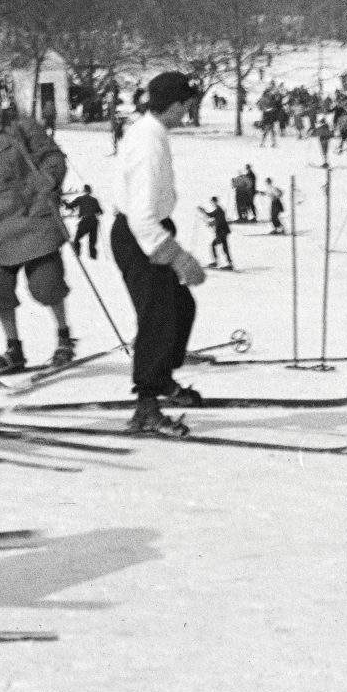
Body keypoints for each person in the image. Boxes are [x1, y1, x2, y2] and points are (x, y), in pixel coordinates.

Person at [0, 75, 76, 374]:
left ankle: (64, 338)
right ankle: (14, 349)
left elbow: (54, 157)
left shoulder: (23, 128)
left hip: (33, 212)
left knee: (46, 285)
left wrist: (48, 179)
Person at [113, 71, 209, 435]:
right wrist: (178, 256)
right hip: (141, 236)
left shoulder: (151, 131)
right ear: (172, 105)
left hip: (149, 231)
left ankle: (163, 380)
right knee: (159, 318)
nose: (187, 111)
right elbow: (140, 216)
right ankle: (146, 406)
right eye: (185, 105)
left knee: (181, 307)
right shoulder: (148, 142)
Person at [65, 184, 103, 260]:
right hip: (94, 222)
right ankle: (93, 257)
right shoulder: (94, 200)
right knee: (92, 241)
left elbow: (70, 206)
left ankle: (77, 253)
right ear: (90, 191)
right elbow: (100, 212)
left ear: (84, 191)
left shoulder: (80, 199)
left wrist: (65, 202)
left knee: (77, 239)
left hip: (85, 221)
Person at [201, 199, 234, 269]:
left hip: (221, 232)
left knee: (214, 245)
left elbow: (211, 216)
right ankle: (229, 263)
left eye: (213, 202)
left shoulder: (218, 210)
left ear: (215, 202)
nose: (213, 204)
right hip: (224, 231)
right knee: (224, 247)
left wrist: (203, 211)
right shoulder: (219, 209)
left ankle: (216, 262)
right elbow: (217, 219)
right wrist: (212, 223)